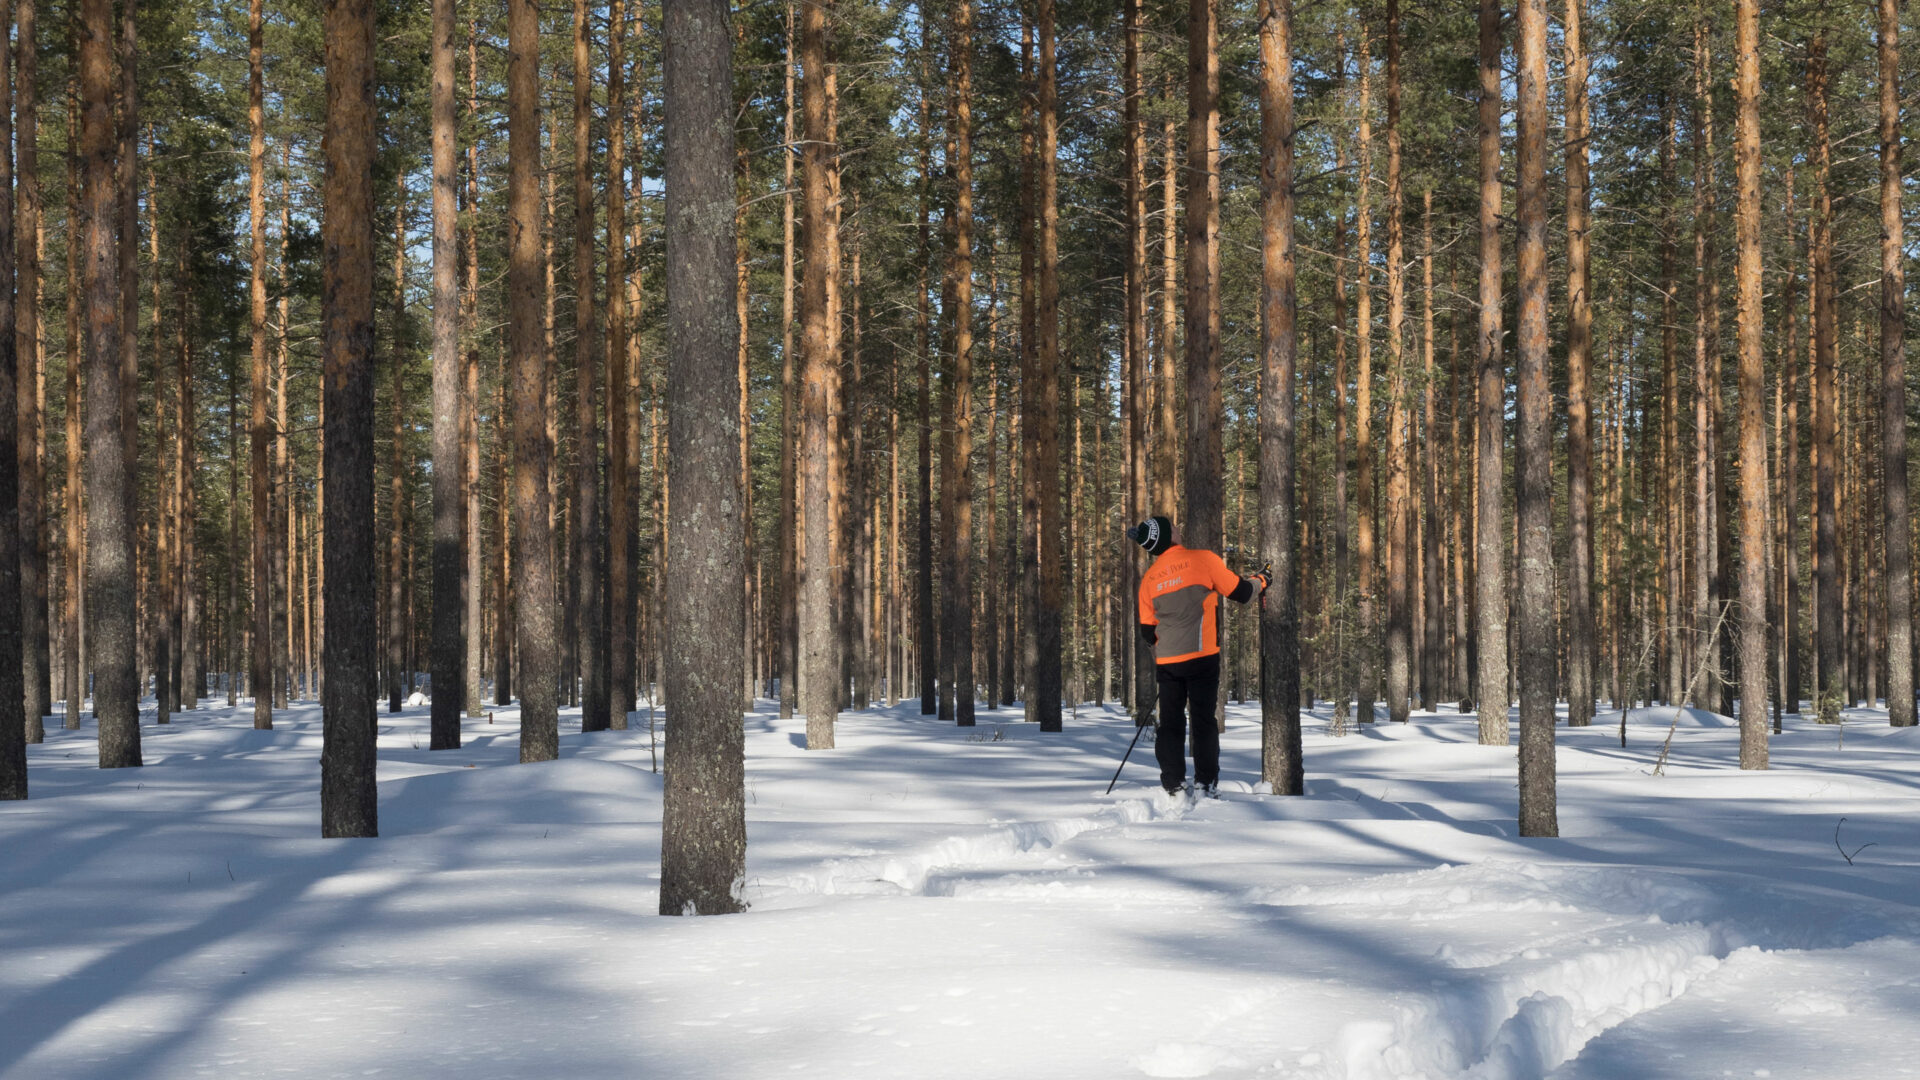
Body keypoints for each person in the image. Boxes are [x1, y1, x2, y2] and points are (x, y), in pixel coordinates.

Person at [1127, 515, 1267, 798]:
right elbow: (1241, 593)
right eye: (1173, 526)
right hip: (1202, 656)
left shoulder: (1149, 580)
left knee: (1170, 723)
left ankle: (1173, 784)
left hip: (1168, 662)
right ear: (1170, 536)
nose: (1178, 527)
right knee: (1203, 720)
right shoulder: (1202, 559)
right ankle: (1205, 783)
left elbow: (1147, 631)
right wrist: (1262, 580)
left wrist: (1166, 648)